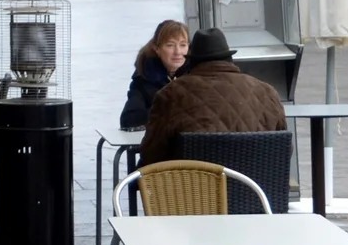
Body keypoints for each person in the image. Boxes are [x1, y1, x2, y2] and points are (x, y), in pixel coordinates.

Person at [138, 28, 286, 164]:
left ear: (192, 61)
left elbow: (151, 155)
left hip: (194, 184)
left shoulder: (170, 95)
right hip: (256, 183)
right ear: (228, 59)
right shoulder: (267, 92)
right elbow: (284, 150)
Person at [120, 20, 190, 130]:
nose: (178, 52)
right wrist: (171, 111)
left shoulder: (197, 73)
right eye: (170, 45)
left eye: (183, 45)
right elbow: (129, 119)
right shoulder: (144, 78)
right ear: (157, 49)